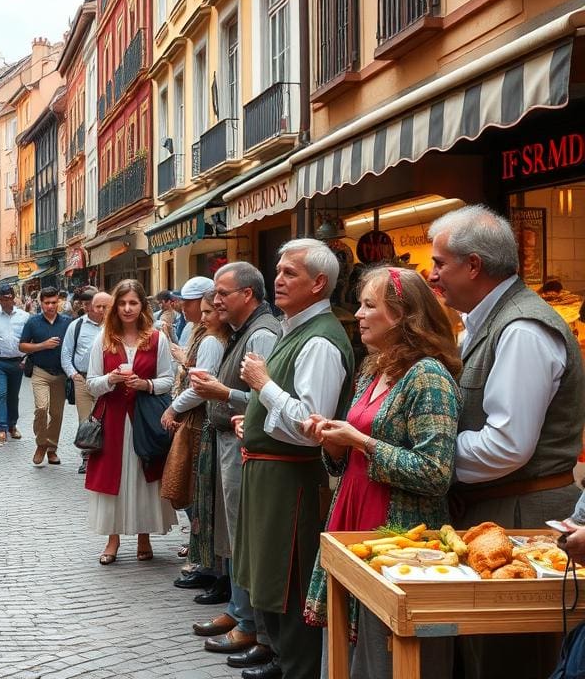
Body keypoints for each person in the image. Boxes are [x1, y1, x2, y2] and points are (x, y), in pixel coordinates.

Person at [427, 205, 585, 679]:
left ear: (473, 266)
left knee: (507, 660)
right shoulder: (487, 322)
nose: (433, 275)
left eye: (440, 264)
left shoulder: (522, 329)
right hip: (497, 511)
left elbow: (506, 446)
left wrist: (429, 460)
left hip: (522, 514)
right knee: (482, 656)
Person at [300, 266, 461, 679]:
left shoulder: (428, 376)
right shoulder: (373, 369)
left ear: (403, 315)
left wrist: (361, 441)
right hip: (353, 518)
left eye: (369, 305)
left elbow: (435, 472)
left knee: (384, 654)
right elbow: (350, 458)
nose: (357, 314)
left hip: (397, 531)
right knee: (345, 649)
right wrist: (334, 445)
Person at [228, 240, 355, 679]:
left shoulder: (320, 340)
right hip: (269, 469)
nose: (278, 280)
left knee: (291, 578)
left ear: (319, 283)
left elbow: (310, 425)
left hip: (292, 477)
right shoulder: (296, 327)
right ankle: (283, 659)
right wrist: (257, 418)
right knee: (269, 577)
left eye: (290, 273)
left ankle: (297, 667)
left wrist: (263, 386)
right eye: (278, 270)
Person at [188, 262, 280, 667]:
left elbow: (267, 397)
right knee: (234, 532)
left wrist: (221, 392)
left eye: (223, 293)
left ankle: (249, 622)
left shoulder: (261, 333)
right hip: (232, 441)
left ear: (247, 294)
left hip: (244, 443)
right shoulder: (244, 330)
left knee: (243, 534)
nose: (216, 299)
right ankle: (239, 611)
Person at [85, 279, 178, 563]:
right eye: (123, 303)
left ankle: (144, 536)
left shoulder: (157, 338)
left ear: (142, 306)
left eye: (133, 303)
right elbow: (91, 383)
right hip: (112, 419)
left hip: (144, 417)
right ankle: (112, 540)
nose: (127, 308)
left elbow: (167, 379)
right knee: (113, 477)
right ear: (116, 306)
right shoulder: (103, 338)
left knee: (143, 473)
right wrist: (110, 380)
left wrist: (146, 385)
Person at [163, 284, 231, 604]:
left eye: (205, 310)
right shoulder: (203, 334)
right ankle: (205, 561)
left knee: (197, 491)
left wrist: (175, 406)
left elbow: (203, 385)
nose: (199, 316)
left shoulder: (213, 341)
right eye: (199, 310)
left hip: (200, 420)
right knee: (196, 492)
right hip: (197, 418)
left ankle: (209, 565)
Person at [19, 286, 72, 467]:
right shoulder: (33, 322)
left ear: (59, 302)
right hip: (40, 371)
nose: (50, 306)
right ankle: (41, 444)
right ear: (41, 303)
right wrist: (43, 345)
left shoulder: (67, 322)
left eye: (54, 302)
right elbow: (22, 346)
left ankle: (52, 449)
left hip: (61, 374)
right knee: (41, 408)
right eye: (47, 303)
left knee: (56, 414)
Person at [62, 288, 110, 474]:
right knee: (86, 420)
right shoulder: (77, 326)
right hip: (82, 378)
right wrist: (73, 374)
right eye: (91, 304)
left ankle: (104, 456)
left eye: (100, 305)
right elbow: (66, 352)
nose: (95, 308)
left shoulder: (114, 326)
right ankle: (87, 457)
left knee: (104, 418)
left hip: (105, 379)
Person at [0, 284, 30, 444]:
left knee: (13, 397)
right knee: (1, 394)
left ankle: (12, 425)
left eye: (8, 298)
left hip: (17, 363)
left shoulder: (25, 317)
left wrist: (26, 358)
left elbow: (30, 339)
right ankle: (1, 429)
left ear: (14, 297)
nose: (6, 302)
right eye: (2, 299)